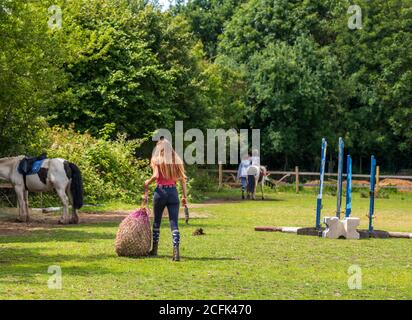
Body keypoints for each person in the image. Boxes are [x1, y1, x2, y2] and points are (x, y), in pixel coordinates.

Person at [144, 138, 187, 261]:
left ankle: (155, 250)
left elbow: (156, 176)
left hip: (160, 192)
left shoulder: (156, 160)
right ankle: (176, 251)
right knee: (174, 223)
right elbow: (183, 180)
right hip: (173, 192)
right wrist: (184, 197)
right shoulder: (177, 161)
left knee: (157, 221)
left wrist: (148, 182)